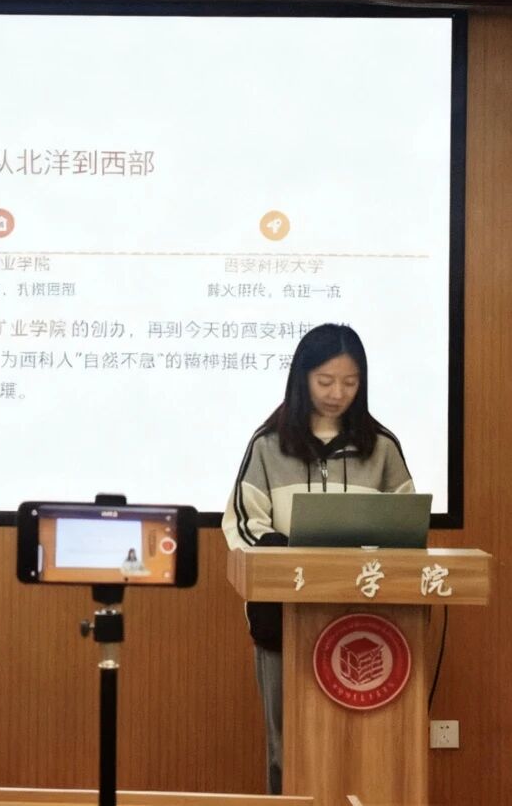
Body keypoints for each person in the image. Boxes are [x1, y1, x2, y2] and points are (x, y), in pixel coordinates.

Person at [222, 323, 413, 795]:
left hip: (368, 618)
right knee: (287, 746)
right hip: (283, 618)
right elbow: (243, 524)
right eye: (325, 381)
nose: (337, 393)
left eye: (350, 382)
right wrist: (286, 554)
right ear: (302, 378)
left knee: (368, 745)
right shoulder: (268, 444)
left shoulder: (381, 447)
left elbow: (407, 526)